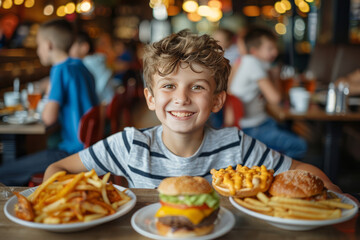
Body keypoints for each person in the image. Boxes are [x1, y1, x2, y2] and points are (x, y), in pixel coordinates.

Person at [44, 30, 343, 200]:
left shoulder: (236, 145)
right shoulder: (130, 145)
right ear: (150, 98)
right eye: (169, 86)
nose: (182, 98)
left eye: (197, 87)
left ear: (216, 101)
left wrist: (336, 195)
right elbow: (57, 169)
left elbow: (307, 172)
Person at [0, 19, 98, 186]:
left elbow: (48, 118)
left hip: (70, 154)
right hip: (88, 149)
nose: (38, 51)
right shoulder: (81, 67)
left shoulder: (59, 70)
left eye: (39, 45)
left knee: (4, 171)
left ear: (49, 45)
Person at [229, 26, 307, 160]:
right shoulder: (253, 63)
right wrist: (276, 76)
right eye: (270, 48)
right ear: (254, 51)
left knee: (288, 129)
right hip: (251, 127)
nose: (275, 52)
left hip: (253, 123)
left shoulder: (246, 61)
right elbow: (276, 99)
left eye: (275, 47)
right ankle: (278, 174)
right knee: (300, 145)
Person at [69, 31, 115, 104]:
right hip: (109, 103)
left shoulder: (86, 65)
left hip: (101, 107)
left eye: (71, 46)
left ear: (84, 47)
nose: (69, 50)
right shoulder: (96, 60)